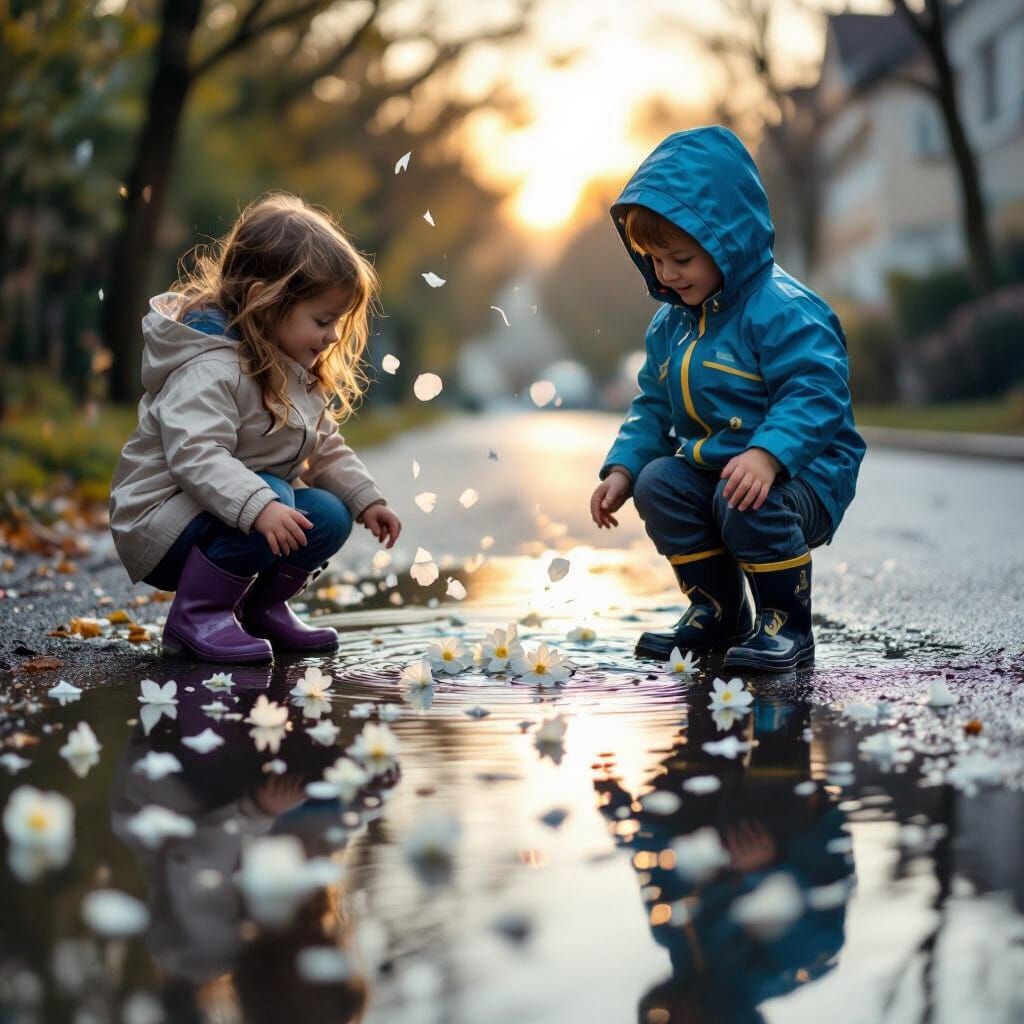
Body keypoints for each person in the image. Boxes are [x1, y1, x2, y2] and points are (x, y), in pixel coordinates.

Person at [590, 126, 865, 672]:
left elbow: (817, 390)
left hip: (802, 472)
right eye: (654, 259)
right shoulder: (670, 324)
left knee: (742, 497)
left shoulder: (782, 308)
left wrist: (769, 454)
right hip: (720, 473)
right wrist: (623, 468)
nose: (666, 274)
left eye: (682, 259)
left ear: (727, 241)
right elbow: (653, 405)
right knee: (660, 482)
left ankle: (785, 624)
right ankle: (717, 612)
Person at [109, 193, 401, 664]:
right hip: (161, 523)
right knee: (275, 497)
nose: (331, 337)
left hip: (222, 513)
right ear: (264, 301)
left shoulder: (291, 370)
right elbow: (196, 454)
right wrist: (261, 505)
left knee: (328, 512)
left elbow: (324, 446)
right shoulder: (209, 367)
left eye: (336, 323)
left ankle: (259, 609)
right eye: (322, 321)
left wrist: (367, 499)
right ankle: (198, 615)